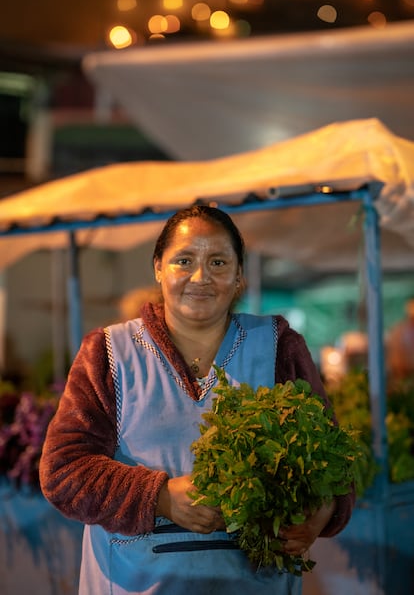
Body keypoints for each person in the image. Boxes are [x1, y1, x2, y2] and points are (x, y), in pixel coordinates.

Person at [39, 205, 355, 595]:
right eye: (184, 260)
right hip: (134, 583)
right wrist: (158, 497)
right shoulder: (108, 352)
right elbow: (63, 472)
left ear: (239, 274)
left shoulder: (278, 347)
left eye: (219, 262)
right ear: (158, 268)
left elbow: (333, 465)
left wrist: (320, 512)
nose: (201, 277)